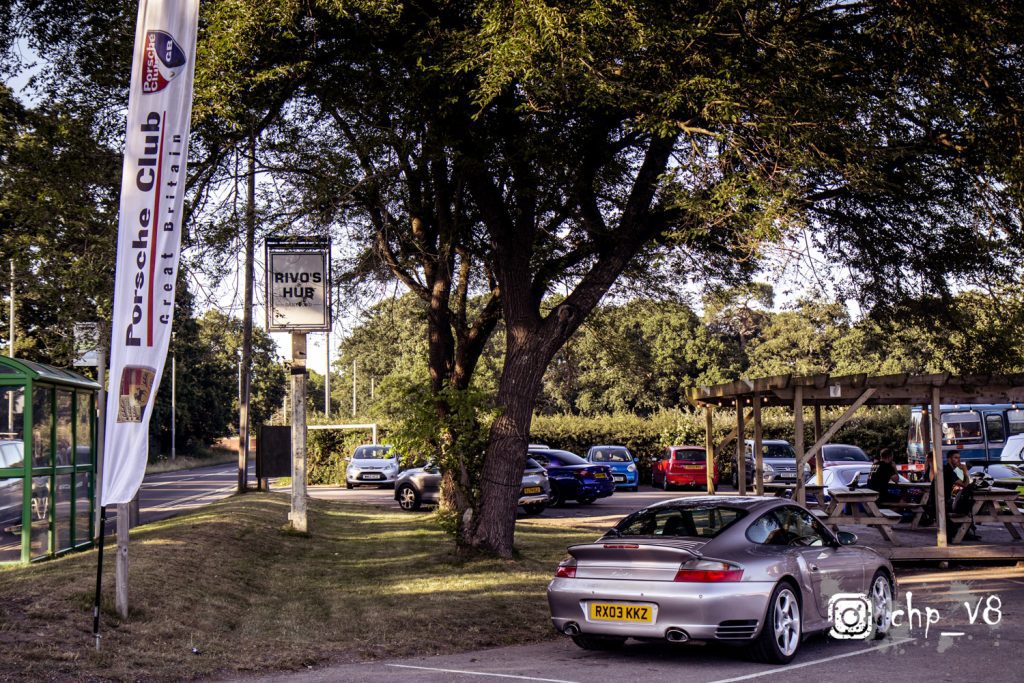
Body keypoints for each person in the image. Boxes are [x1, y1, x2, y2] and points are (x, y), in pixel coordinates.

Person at [943, 450, 980, 540]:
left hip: (949, 499)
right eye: (955, 458)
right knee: (967, 505)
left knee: (967, 503)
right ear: (949, 459)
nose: (958, 460)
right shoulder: (948, 470)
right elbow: (966, 484)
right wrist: (965, 470)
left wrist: (963, 471)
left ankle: (965, 531)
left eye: (959, 458)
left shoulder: (955, 470)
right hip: (945, 502)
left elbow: (966, 481)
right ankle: (963, 532)